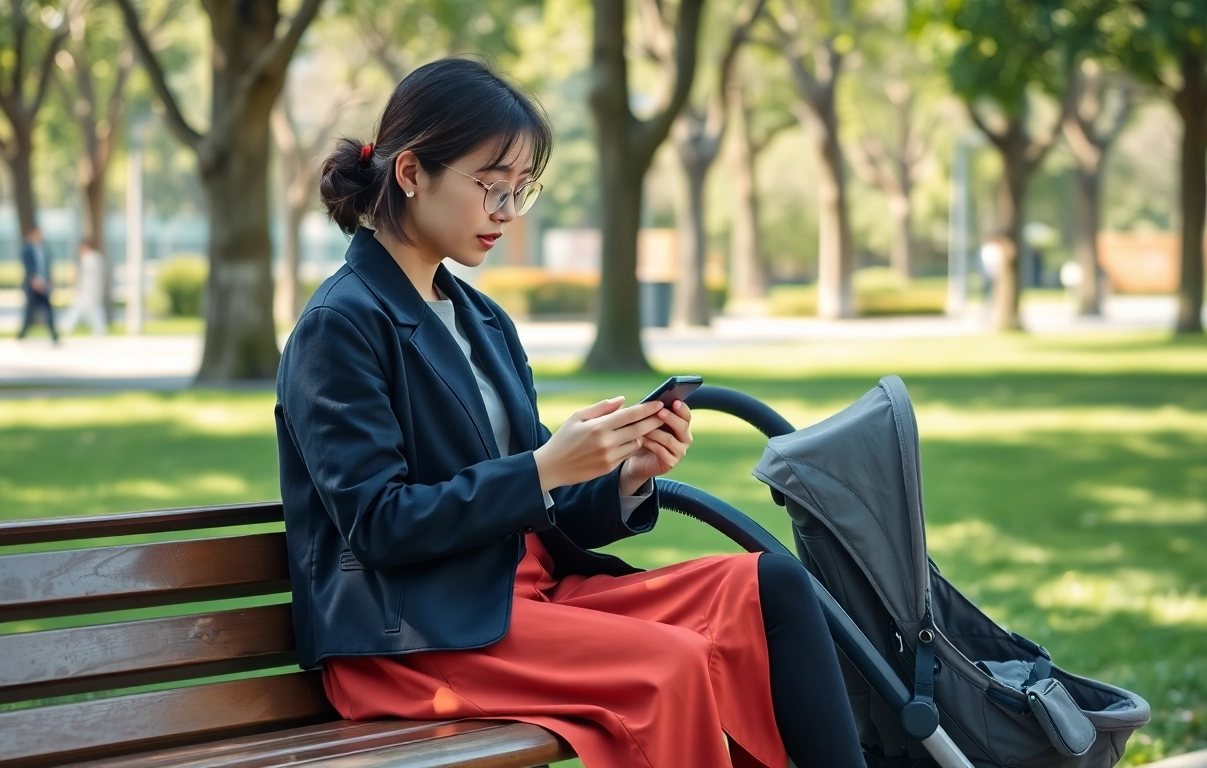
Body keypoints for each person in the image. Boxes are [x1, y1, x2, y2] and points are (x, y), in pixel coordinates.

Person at [275, 58, 867, 768]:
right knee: (670, 662)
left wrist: (622, 478)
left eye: (523, 190)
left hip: (523, 599)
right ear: (410, 173)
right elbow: (376, 525)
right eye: (492, 187)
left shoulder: (481, 321)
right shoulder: (340, 325)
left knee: (766, 586)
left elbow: (539, 507)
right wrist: (542, 468)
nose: (509, 213)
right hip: (415, 640)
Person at [18, 226, 58, 343]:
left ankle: (54, 334)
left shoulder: (45, 249)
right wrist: (34, 280)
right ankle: (22, 333)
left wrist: (49, 281)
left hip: (44, 284)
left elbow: (48, 267)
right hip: (32, 285)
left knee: (48, 309)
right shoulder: (27, 249)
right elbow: (27, 266)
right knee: (30, 309)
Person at [61, 239, 107, 336]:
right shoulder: (94, 258)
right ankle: (66, 326)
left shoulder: (90, 259)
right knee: (80, 309)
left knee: (91, 310)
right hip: (88, 289)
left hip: (89, 289)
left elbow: (79, 275)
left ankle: (66, 326)